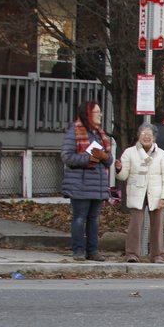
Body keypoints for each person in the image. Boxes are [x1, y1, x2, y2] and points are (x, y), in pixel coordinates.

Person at [61, 101, 112, 262]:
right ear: (88, 113)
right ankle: (78, 250)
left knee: (93, 219)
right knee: (79, 218)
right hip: (80, 183)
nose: (100, 115)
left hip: (97, 183)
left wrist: (105, 157)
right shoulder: (74, 132)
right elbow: (67, 157)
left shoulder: (99, 134)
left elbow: (108, 160)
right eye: (97, 112)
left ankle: (93, 250)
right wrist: (87, 159)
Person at [115, 124, 164, 263]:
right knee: (135, 224)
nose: (146, 137)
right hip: (137, 191)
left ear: (154, 137)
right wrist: (118, 169)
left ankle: (157, 255)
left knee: (157, 226)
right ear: (138, 136)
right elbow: (123, 176)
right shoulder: (129, 152)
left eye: (149, 134)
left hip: (156, 193)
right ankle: (132, 254)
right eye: (143, 134)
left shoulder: (162, 154)